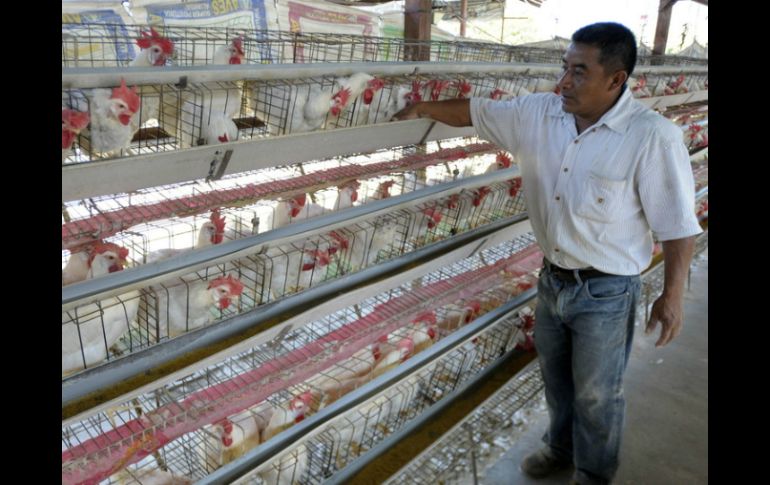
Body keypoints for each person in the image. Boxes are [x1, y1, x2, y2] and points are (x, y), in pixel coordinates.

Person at [393, 22, 702, 485]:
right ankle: (560, 450)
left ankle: (594, 473)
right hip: (552, 281)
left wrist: (673, 295)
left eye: (579, 72)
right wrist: (417, 107)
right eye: (565, 68)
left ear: (616, 80)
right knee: (557, 383)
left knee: (597, 395)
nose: (564, 82)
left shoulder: (652, 137)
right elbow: (474, 112)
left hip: (607, 291)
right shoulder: (540, 113)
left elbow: (678, 227)